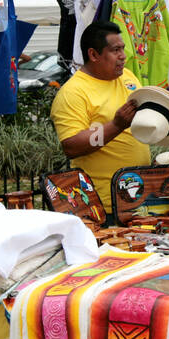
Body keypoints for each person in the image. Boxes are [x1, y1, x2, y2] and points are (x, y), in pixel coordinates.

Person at [50, 22, 145, 209]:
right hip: (103, 202)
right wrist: (116, 126)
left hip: (141, 194)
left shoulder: (127, 76)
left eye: (123, 49)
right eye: (115, 50)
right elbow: (72, 146)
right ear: (93, 54)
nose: (123, 56)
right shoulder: (73, 92)